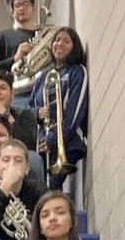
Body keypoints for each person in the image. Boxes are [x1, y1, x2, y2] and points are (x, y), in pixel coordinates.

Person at [30, 26, 89, 189]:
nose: (59, 44)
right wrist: (37, 114)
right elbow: (29, 108)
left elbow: (75, 111)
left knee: (52, 187)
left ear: (74, 47)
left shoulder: (77, 72)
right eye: (56, 40)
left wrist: (55, 139)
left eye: (66, 41)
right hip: (43, 144)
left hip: (67, 142)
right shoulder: (44, 76)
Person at [0, 0, 40, 90]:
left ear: (33, 8)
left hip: (39, 90)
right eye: (17, 5)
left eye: (26, 3)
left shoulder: (42, 35)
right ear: (12, 11)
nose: (22, 8)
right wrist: (15, 59)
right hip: (14, 92)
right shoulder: (3, 36)